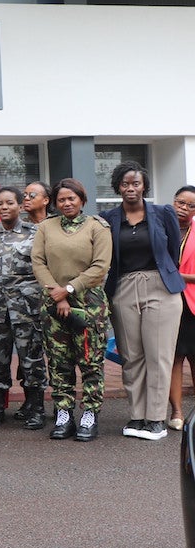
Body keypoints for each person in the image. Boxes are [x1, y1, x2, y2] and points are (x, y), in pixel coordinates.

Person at [100, 161, 183, 441]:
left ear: (144, 185)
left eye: (136, 183)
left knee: (158, 356)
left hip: (160, 286)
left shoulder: (163, 213)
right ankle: (137, 415)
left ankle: (156, 419)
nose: (131, 188)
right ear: (118, 187)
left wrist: (161, 278)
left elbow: (173, 253)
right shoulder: (108, 218)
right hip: (122, 287)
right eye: (125, 184)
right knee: (131, 357)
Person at [31, 178, 112, 442]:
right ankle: (63, 413)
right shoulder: (46, 227)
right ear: (55, 202)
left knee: (90, 361)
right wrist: (57, 294)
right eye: (62, 199)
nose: (66, 203)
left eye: (71, 198)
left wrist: (68, 290)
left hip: (88, 305)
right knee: (59, 361)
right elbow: (39, 262)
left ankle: (89, 414)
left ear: (82, 199)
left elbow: (100, 267)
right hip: (53, 303)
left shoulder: (97, 227)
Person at [0, 187, 45, 429]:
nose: (3, 208)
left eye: (9, 203)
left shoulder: (35, 233)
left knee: (31, 360)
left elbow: (42, 271)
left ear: (19, 206)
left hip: (26, 307)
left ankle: (36, 409)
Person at [169, 185, 195, 430]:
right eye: (180, 202)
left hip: (193, 304)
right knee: (173, 359)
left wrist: (180, 276)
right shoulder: (162, 228)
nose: (184, 208)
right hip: (168, 302)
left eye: (190, 205)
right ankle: (176, 412)